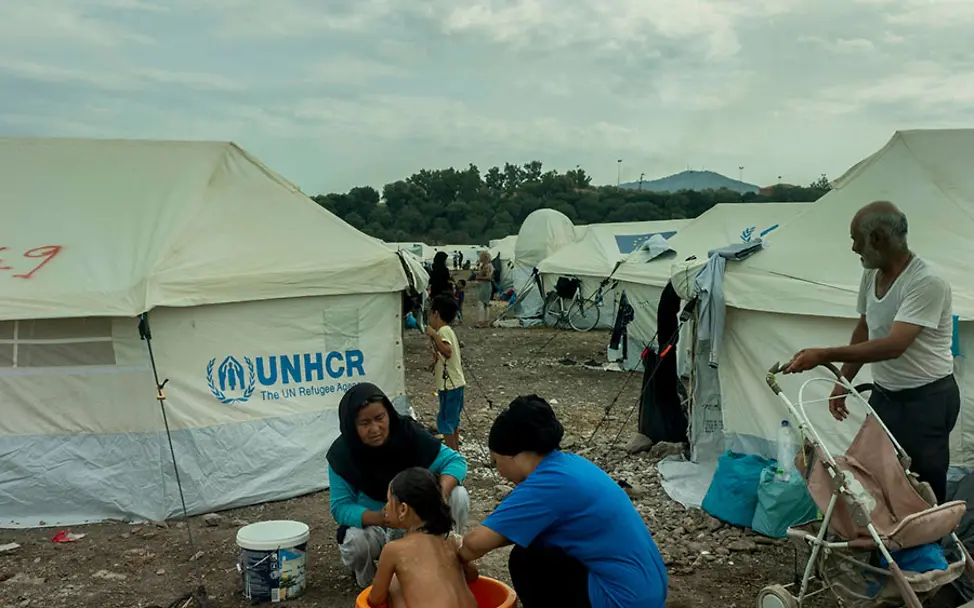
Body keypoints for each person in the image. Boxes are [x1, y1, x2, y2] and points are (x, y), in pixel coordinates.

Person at [785, 201, 958, 503]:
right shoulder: (871, 272)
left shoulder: (926, 281)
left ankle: (932, 546)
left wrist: (823, 355)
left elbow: (894, 345)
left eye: (856, 239)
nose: (853, 248)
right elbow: (865, 329)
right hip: (887, 395)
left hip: (927, 400)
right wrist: (843, 380)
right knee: (880, 474)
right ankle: (892, 545)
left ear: (877, 238)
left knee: (924, 484)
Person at [457, 395, 668, 608]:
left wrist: (456, 555)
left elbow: (475, 544)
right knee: (539, 544)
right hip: (646, 589)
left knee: (527, 561)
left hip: (621, 598)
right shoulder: (570, 465)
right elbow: (507, 532)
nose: (499, 471)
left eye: (496, 461)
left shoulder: (547, 485)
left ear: (514, 454)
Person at [326, 383, 470, 587]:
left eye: (379, 418)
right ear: (351, 425)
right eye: (364, 423)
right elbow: (340, 507)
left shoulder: (409, 434)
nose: (375, 429)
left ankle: (449, 558)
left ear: (389, 414)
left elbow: (455, 462)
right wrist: (382, 517)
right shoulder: (342, 455)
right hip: (378, 524)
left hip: (418, 519)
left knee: (458, 495)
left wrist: (439, 496)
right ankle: (368, 582)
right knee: (355, 541)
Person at [368, 467, 479, 608]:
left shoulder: (394, 550)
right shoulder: (453, 539)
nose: (385, 507)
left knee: (395, 582)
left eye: (388, 501)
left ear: (403, 509)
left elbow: (376, 599)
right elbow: (473, 576)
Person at [425, 295, 465, 452]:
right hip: (454, 383)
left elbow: (447, 351)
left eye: (430, 314)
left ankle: (452, 454)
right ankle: (455, 451)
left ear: (436, 313)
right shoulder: (447, 331)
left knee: (445, 422)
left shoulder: (443, 331)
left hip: (450, 385)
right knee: (452, 421)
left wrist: (434, 335)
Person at [473, 250, 494, 328]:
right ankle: (486, 321)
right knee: (486, 303)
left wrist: (479, 277)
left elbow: (489, 277)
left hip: (485, 285)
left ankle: (481, 321)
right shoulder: (486, 265)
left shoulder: (488, 266)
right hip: (485, 285)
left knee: (481, 303)